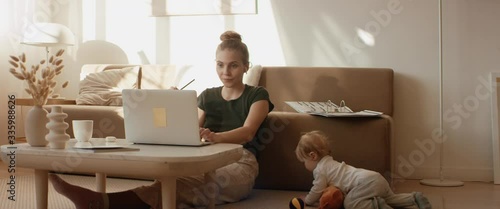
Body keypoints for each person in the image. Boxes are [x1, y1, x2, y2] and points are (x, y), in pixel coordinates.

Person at [49, 30, 274, 209]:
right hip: (208, 157)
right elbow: (188, 130)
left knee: (187, 186)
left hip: (240, 160)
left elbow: (248, 132)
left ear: (246, 66)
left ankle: (102, 202)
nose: (226, 71)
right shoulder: (207, 95)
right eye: (220, 65)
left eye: (233, 65)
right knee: (171, 183)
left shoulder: (257, 95)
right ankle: (102, 201)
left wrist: (216, 136)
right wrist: (175, 104)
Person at [294, 130, 433, 209]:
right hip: (375, 178)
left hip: (364, 183)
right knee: (390, 198)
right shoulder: (331, 163)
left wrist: (308, 200)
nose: (304, 164)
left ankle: (377, 205)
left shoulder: (320, 170)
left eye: (304, 161)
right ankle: (415, 198)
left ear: (312, 156)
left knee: (351, 203)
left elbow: (317, 188)